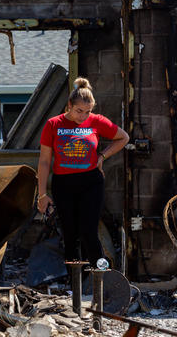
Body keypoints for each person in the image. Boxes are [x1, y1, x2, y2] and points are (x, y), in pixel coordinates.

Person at [37, 77, 129, 267]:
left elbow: (123, 138)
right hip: (63, 184)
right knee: (70, 234)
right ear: (69, 105)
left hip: (90, 183)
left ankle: (100, 280)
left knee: (89, 231)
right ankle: (75, 287)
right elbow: (45, 162)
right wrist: (42, 194)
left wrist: (102, 156)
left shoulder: (96, 121)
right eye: (79, 111)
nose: (83, 116)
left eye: (87, 112)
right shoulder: (53, 124)